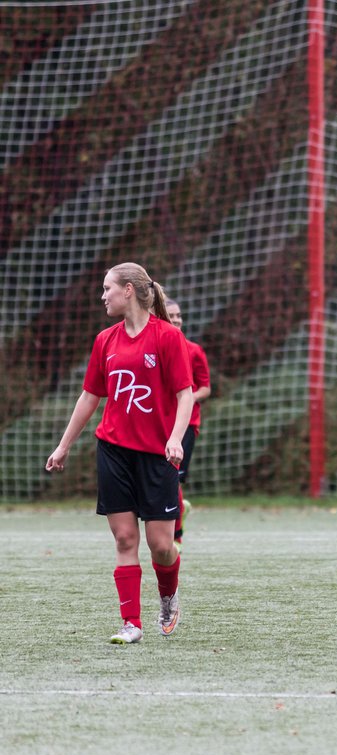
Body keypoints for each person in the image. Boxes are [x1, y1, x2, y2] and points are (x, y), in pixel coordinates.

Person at [46, 263, 194, 643]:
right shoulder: (105, 341)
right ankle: (131, 623)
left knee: (162, 545)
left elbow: (184, 394)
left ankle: (168, 597)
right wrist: (63, 446)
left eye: (107, 288)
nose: (102, 296)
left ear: (128, 290)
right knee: (125, 539)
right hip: (113, 451)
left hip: (157, 455)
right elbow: (89, 396)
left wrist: (175, 438)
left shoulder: (167, 338)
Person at [166, 299, 212, 550]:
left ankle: (177, 537)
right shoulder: (155, 347)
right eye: (170, 316)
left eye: (179, 316)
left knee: (173, 477)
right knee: (165, 478)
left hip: (187, 423)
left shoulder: (194, 350)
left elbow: (205, 388)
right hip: (160, 423)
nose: (176, 320)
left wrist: (186, 398)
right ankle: (178, 508)